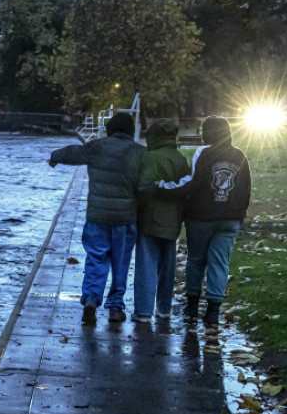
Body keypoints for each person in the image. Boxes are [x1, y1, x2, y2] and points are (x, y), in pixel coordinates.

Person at [154, 115, 251, 326]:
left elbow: (192, 181)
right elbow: (245, 189)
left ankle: (191, 307)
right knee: (220, 262)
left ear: (208, 133)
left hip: (201, 217)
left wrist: (163, 186)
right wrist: (238, 213)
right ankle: (213, 311)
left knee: (196, 260)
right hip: (230, 219)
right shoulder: (240, 155)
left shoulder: (203, 152)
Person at [49, 112, 144, 324]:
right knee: (121, 263)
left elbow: (73, 152)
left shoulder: (97, 147)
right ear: (130, 131)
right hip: (125, 218)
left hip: (97, 216)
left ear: (110, 129)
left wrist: (55, 156)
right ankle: (115, 307)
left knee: (96, 258)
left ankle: (91, 298)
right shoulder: (139, 152)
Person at [132, 119, 190, 323]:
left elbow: (143, 189)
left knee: (146, 265)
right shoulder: (181, 159)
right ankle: (164, 308)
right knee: (168, 267)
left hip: (149, 219)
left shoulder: (149, 158)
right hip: (173, 220)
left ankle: (144, 311)